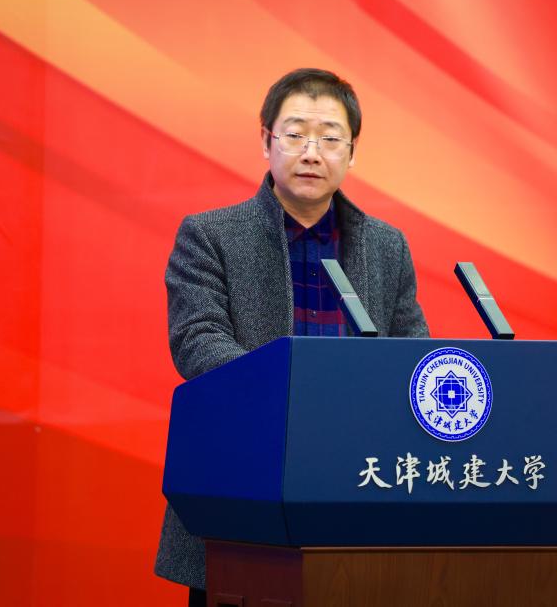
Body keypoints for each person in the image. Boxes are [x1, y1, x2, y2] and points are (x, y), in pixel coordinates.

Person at [154, 68, 430, 605]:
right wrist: (294, 400)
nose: (311, 153)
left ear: (352, 152)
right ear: (266, 141)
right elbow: (198, 341)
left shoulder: (387, 246)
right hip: (245, 486)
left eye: (329, 138)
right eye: (296, 134)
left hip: (360, 485)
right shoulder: (210, 235)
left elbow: (411, 350)